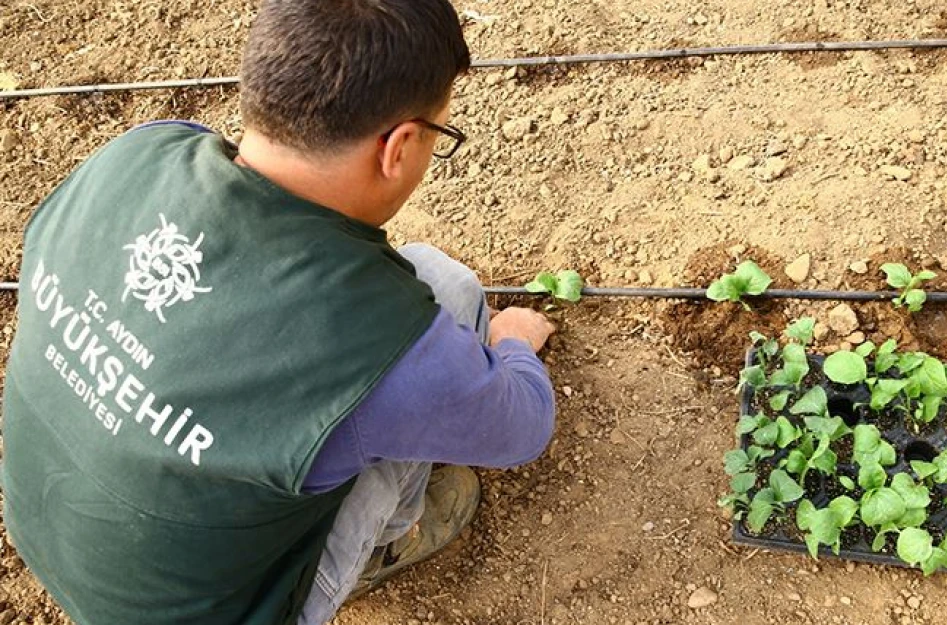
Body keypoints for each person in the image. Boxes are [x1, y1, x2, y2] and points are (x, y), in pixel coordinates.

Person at [0, 1, 557, 624]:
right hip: (212, 613)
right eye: (438, 136)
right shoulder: (379, 343)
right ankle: (393, 537)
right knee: (450, 292)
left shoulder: (142, 152)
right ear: (398, 146)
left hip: (46, 530)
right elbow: (523, 427)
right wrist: (510, 340)